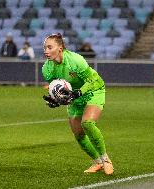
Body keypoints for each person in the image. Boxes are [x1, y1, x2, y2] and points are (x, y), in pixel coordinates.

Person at [42, 33, 114, 175]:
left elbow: (92, 79)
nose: (46, 51)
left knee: (87, 123)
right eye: (45, 47)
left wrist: (79, 92)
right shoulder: (47, 68)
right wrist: (54, 100)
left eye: (50, 47)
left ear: (60, 48)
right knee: (78, 133)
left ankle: (105, 159)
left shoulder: (75, 60)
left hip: (93, 90)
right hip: (75, 96)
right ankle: (97, 162)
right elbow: (57, 88)